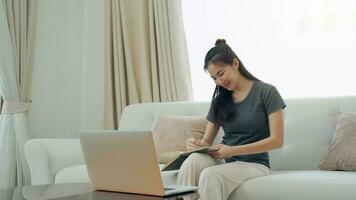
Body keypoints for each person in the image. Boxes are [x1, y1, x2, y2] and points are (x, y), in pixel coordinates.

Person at [177, 39, 286, 200]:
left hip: (254, 164)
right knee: (192, 161)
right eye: (214, 78)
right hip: (224, 161)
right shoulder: (219, 101)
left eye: (221, 73)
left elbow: (277, 141)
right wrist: (196, 145)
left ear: (235, 63)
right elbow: (206, 141)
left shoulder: (266, 92)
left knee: (210, 175)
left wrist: (233, 150)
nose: (219, 81)